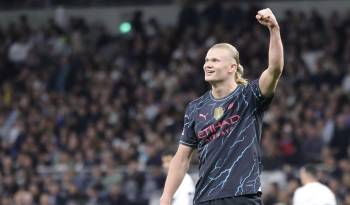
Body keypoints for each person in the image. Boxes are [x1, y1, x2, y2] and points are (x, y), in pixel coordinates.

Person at [160, 8, 284, 205]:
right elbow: (181, 158)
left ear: (232, 67)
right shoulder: (195, 107)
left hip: (242, 194)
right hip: (205, 198)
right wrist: (166, 198)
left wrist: (273, 29)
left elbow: (275, 69)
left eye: (215, 60)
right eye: (206, 60)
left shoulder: (249, 95)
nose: (207, 64)